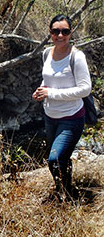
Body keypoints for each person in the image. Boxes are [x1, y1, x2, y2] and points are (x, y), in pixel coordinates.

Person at [32, 14, 91, 200]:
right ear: (50, 33)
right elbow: (49, 78)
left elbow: (85, 89)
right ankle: (64, 190)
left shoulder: (77, 57)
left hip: (72, 117)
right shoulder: (46, 53)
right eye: (55, 31)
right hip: (50, 116)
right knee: (61, 159)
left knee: (54, 160)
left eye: (64, 31)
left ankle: (66, 194)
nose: (60, 35)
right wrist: (41, 90)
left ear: (70, 33)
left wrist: (51, 94)